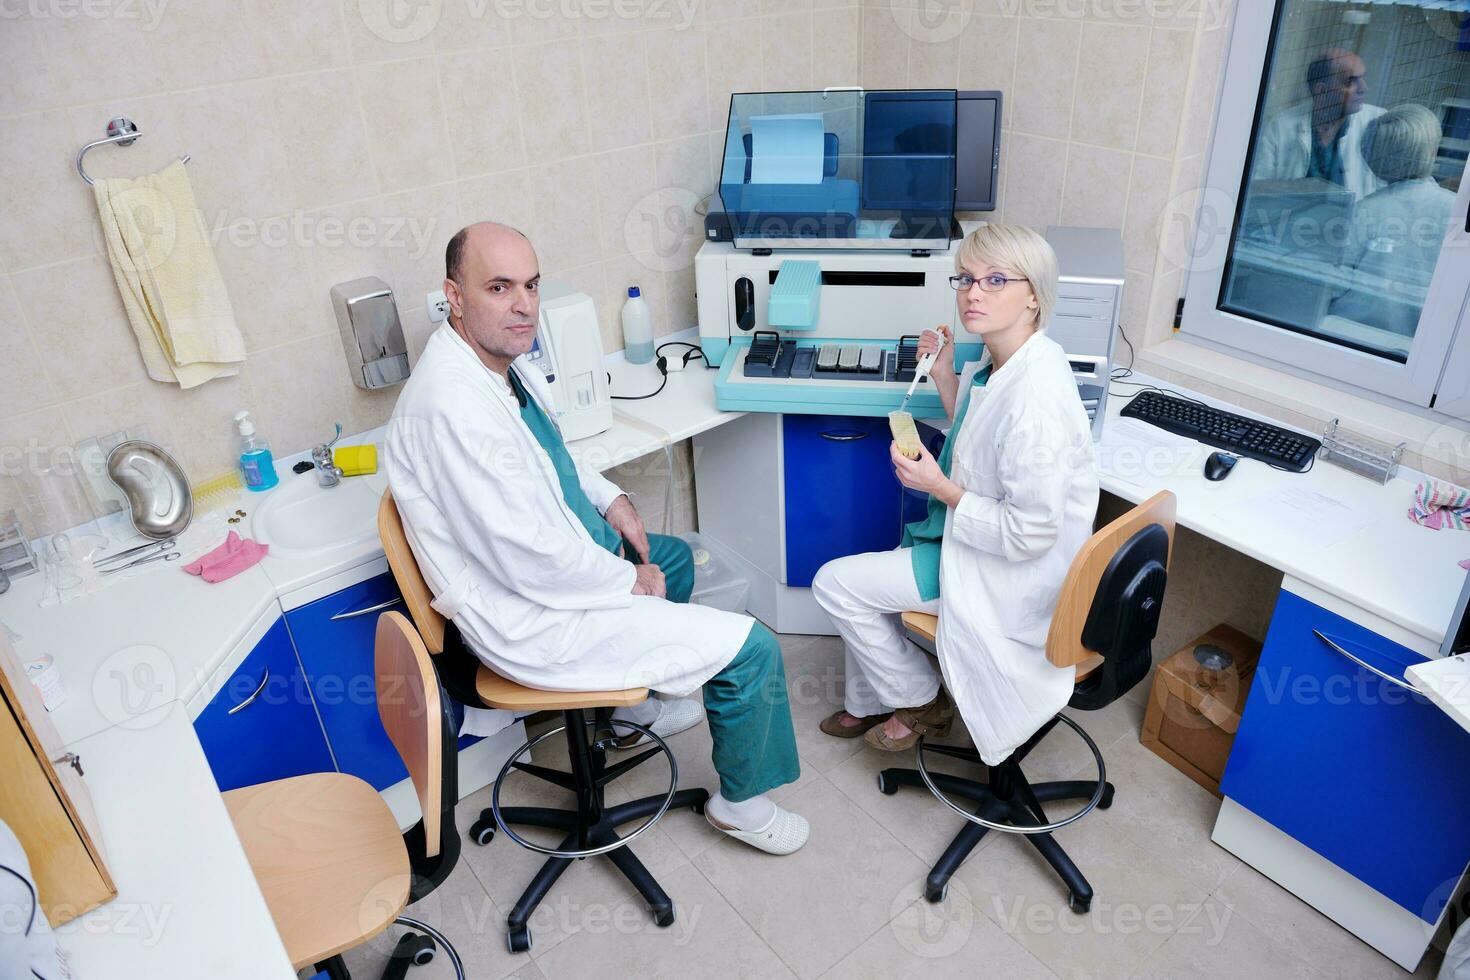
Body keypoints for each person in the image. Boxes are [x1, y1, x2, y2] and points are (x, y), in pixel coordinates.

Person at [383, 222, 806, 853]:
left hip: (562, 567)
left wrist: (614, 501)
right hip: (532, 616)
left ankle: (630, 712)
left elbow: (554, 452)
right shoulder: (451, 407)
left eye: (530, 285)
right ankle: (739, 806)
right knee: (751, 651)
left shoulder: (497, 365)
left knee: (674, 562)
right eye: (499, 287)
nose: (523, 304)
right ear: (455, 295)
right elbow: (528, 560)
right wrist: (626, 579)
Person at [811, 224, 1099, 765]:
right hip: (967, 544)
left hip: (1006, 573)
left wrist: (939, 487)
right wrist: (944, 374)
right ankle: (872, 701)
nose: (973, 292)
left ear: (1034, 295)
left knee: (836, 584)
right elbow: (977, 428)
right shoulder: (1008, 362)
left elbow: (1030, 533)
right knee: (870, 570)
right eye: (966, 278)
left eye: (995, 279)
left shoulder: (1036, 399)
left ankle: (920, 700)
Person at [1329, 103, 1455, 344]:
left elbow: (1335, 284)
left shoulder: (1364, 211)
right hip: (1419, 346)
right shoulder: (1453, 211)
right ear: (1430, 151)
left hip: (1349, 335)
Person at [1255, 48, 1385, 199]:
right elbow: (1258, 188)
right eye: (1351, 82)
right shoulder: (1280, 127)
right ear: (1322, 90)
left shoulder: (1377, 123)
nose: (1363, 88)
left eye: (1362, 79)